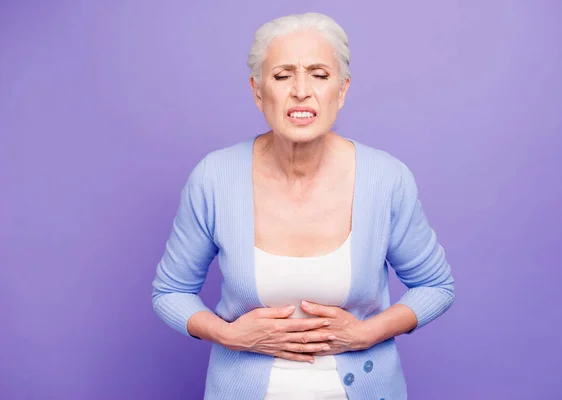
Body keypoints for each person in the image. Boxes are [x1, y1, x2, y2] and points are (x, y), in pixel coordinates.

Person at [151, 12, 455, 400]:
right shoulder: (214, 178)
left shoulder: (386, 179)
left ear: (342, 90)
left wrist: (366, 333)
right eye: (282, 75)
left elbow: (436, 286)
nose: (301, 90)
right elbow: (170, 292)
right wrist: (227, 333)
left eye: (319, 74)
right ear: (258, 91)